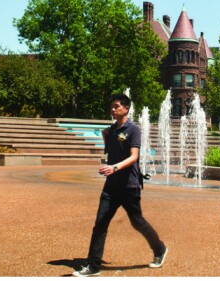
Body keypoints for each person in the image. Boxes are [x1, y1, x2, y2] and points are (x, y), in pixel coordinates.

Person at [72, 93, 168, 277]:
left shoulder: (133, 130)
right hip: (111, 186)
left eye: (116, 106)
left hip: (129, 185)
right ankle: (93, 266)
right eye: (112, 106)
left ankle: (159, 249)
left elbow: (133, 157)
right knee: (100, 223)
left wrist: (114, 168)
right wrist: (106, 141)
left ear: (126, 108)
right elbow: (111, 154)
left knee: (137, 222)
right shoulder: (112, 130)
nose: (113, 109)